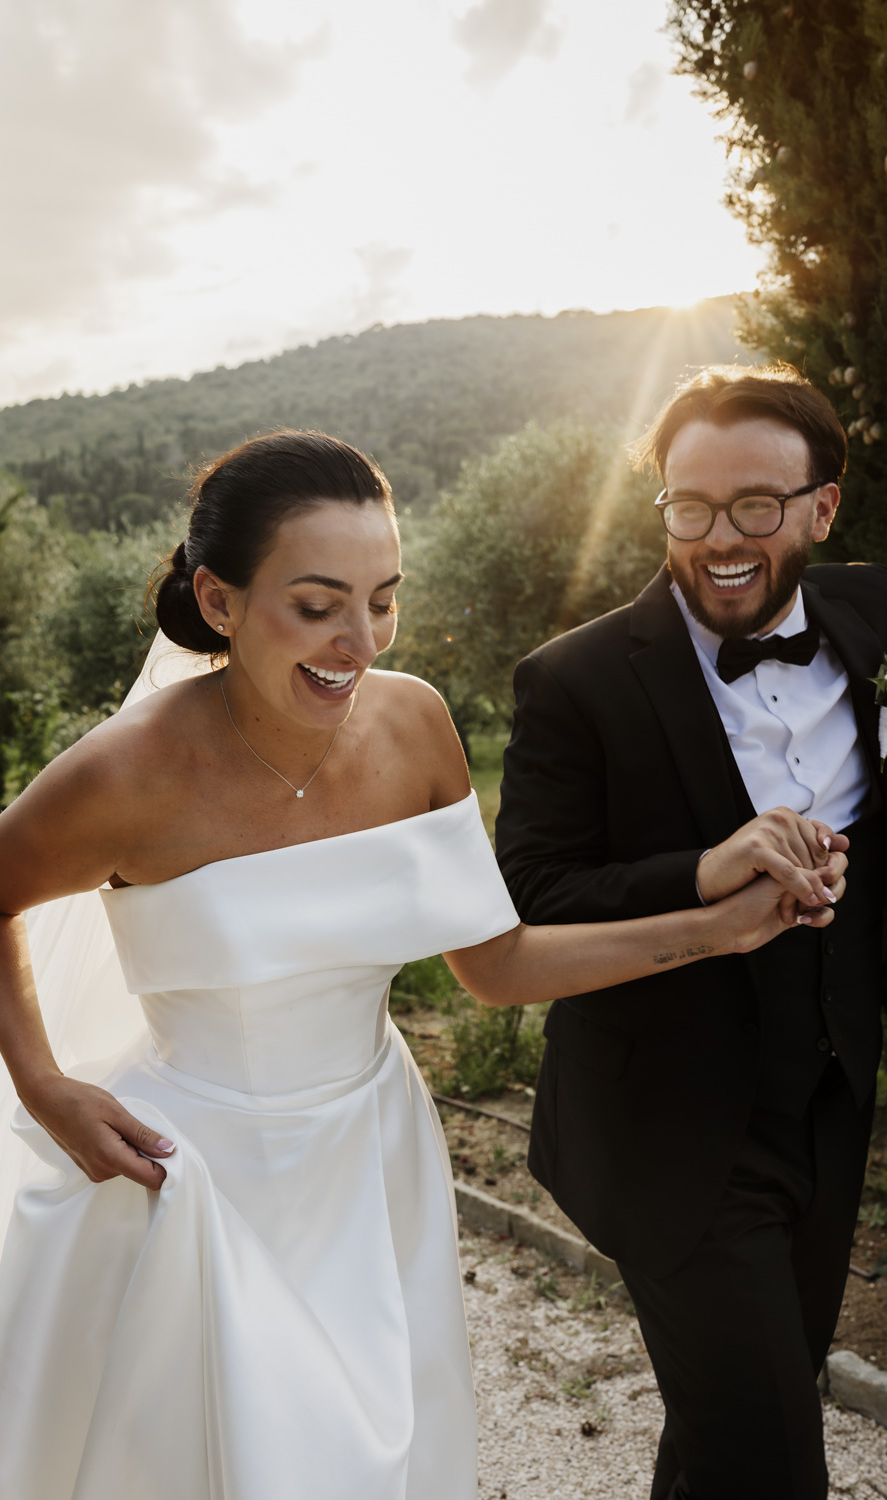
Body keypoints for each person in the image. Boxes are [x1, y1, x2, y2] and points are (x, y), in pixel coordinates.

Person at [0, 430, 839, 1500]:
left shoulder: (413, 724)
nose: (358, 640)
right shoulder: (128, 772)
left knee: (375, 1455)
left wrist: (713, 926)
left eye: (383, 599)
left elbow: (493, 962)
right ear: (218, 602)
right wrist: (45, 1083)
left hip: (370, 1155)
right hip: (193, 1174)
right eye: (316, 605)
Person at [496, 366, 885, 1500]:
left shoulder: (871, 616)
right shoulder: (573, 682)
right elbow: (529, 895)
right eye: (688, 506)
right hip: (669, 1127)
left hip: (826, 1110)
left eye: (755, 506)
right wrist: (706, 872)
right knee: (769, 1455)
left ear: (820, 507)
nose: (718, 537)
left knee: (732, 1429)